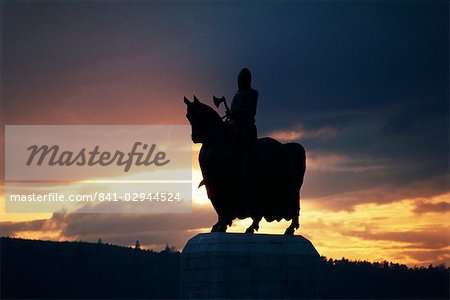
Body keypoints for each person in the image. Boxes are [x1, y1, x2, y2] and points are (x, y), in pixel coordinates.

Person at [229, 68, 258, 200]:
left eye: (242, 79)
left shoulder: (252, 93)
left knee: (243, 148)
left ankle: (243, 173)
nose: (240, 81)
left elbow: (250, 111)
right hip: (234, 125)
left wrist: (236, 114)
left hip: (245, 127)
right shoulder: (237, 94)